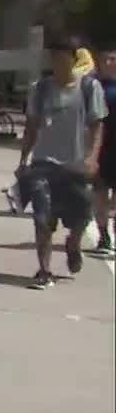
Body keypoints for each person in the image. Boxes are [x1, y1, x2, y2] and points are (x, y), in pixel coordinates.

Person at [17, 34, 108, 288]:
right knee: (42, 218)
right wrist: (23, 159)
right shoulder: (41, 89)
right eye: (53, 58)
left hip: (76, 165)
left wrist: (92, 157)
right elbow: (32, 126)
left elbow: (97, 127)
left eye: (62, 58)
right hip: (43, 164)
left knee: (81, 217)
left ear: (73, 58)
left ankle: (73, 243)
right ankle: (44, 270)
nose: (57, 63)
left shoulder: (89, 88)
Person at [90, 44, 116, 256]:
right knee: (100, 194)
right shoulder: (94, 86)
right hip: (100, 149)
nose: (108, 63)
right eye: (105, 59)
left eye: (113, 59)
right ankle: (103, 235)